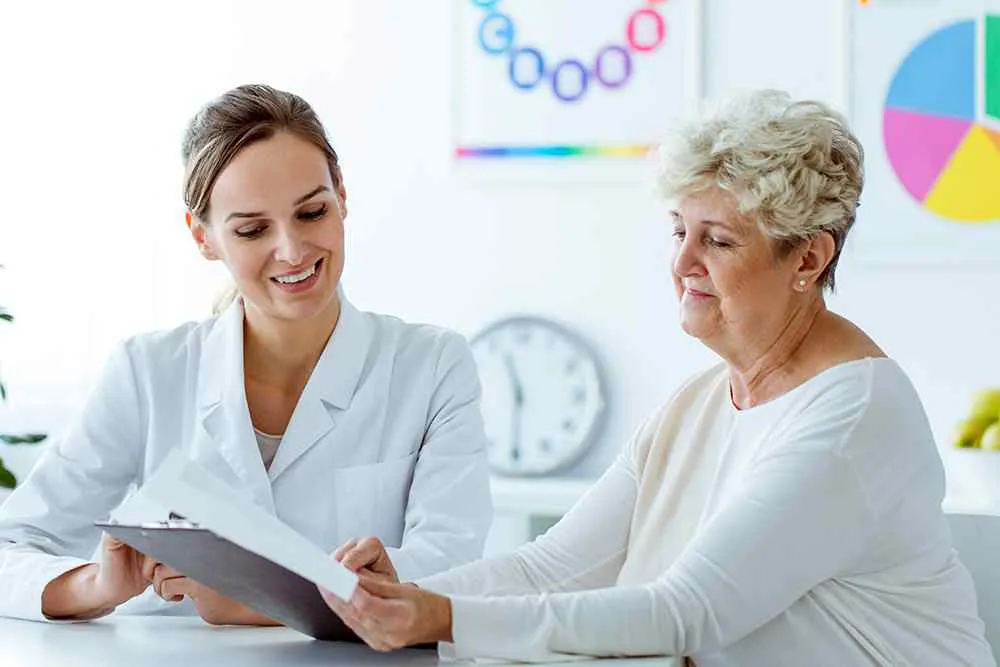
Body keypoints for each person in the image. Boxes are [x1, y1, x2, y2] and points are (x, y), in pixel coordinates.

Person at [320, 91, 996, 666]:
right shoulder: (700, 402)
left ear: (809, 259)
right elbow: (549, 566)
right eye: (679, 231)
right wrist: (407, 585)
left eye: (719, 240)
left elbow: (687, 611)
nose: (683, 263)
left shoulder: (854, 413)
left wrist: (439, 616)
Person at [0, 84, 492, 625]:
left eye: (312, 213)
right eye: (253, 229)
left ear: (342, 197)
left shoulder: (432, 365)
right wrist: (96, 585)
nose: (293, 250)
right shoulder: (147, 371)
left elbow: (455, 571)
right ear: (203, 236)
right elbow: (11, 548)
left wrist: (252, 601)